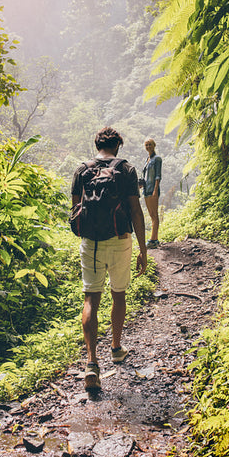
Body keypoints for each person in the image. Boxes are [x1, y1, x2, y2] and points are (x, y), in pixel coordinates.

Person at [71, 127, 148, 392]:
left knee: (91, 297)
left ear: (97, 144)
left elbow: (74, 209)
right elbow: (136, 211)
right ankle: (115, 348)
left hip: (90, 242)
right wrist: (143, 249)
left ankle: (92, 363)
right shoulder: (126, 170)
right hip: (119, 240)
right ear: (117, 145)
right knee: (119, 294)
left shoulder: (82, 170)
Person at [140, 138, 162, 249]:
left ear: (154, 145)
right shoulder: (147, 159)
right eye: (146, 145)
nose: (148, 146)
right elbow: (145, 176)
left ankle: (153, 240)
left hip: (153, 189)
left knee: (154, 215)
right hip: (146, 189)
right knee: (151, 214)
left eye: (150, 144)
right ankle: (154, 239)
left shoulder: (157, 159)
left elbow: (158, 176)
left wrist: (155, 190)